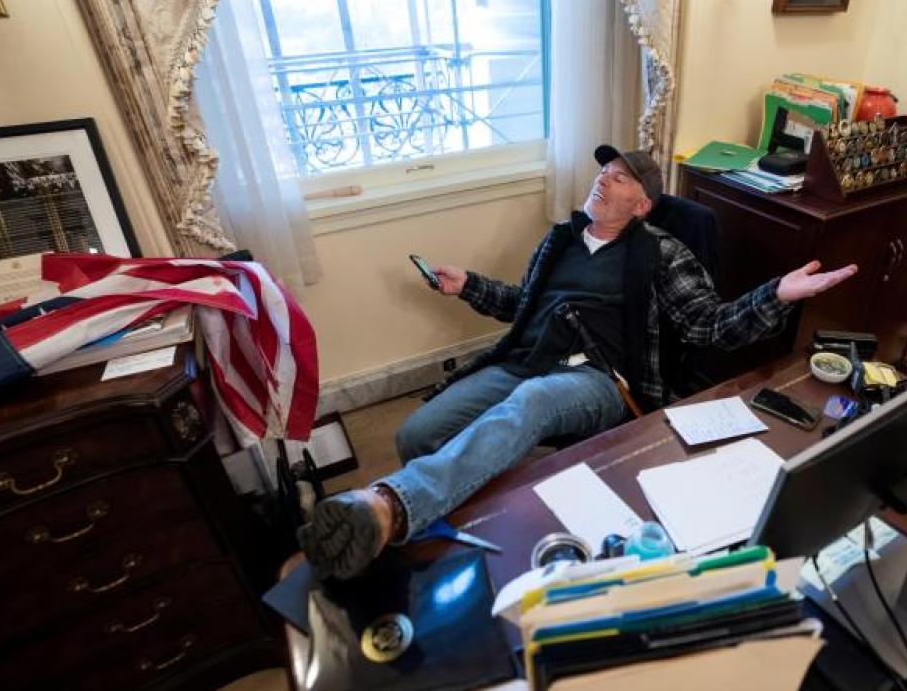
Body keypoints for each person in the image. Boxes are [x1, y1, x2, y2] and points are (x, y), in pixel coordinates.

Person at [298, 145, 858, 580]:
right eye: (602, 171)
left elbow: (709, 326)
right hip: (526, 360)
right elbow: (525, 307)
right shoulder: (561, 239)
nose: (602, 179)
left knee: (532, 403)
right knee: (417, 435)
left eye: (619, 177)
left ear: (642, 205)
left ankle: (388, 504)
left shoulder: (662, 252)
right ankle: (454, 534)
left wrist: (776, 294)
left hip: (600, 379)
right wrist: (468, 286)